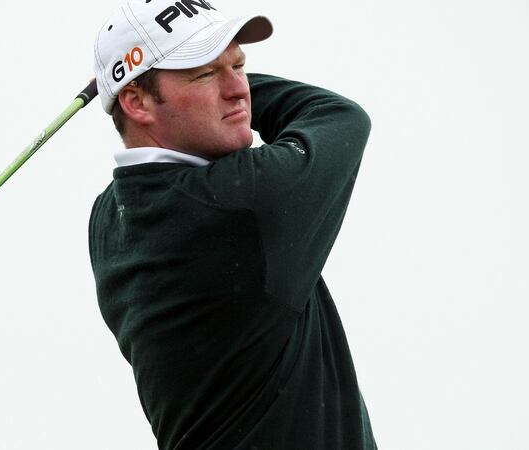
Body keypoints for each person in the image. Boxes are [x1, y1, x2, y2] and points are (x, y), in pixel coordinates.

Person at [88, 1, 376, 449]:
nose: (238, 90)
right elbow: (338, 117)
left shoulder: (108, 219)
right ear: (138, 102)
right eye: (204, 74)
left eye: (240, 65)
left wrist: (128, 86)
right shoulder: (239, 203)